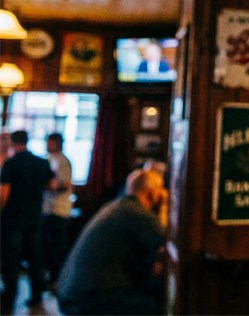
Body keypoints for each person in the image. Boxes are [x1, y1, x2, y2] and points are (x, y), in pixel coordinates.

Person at [57, 168, 168, 315]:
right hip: (88, 298)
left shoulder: (116, 206)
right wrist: (164, 207)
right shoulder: (139, 215)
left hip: (70, 293)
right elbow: (166, 245)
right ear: (154, 193)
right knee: (155, 306)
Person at [0, 130, 54, 313]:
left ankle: (9, 298)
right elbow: (52, 185)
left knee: (11, 260)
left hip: (14, 218)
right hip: (34, 217)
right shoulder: (41, 162)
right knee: (35, 257)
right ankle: (37, 295)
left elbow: (4, 195)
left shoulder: (11, 164)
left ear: (14, 143)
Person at [42, 132, 73, 288]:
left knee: (58, 247)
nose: (46, 144)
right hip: (47, 208)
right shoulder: (48, 159)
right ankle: (52, 276)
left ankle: (60, 279)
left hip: (59, 209)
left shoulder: (62, 161)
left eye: (49, 142)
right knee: (49, 246)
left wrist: (45, 186)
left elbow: (65, 185)